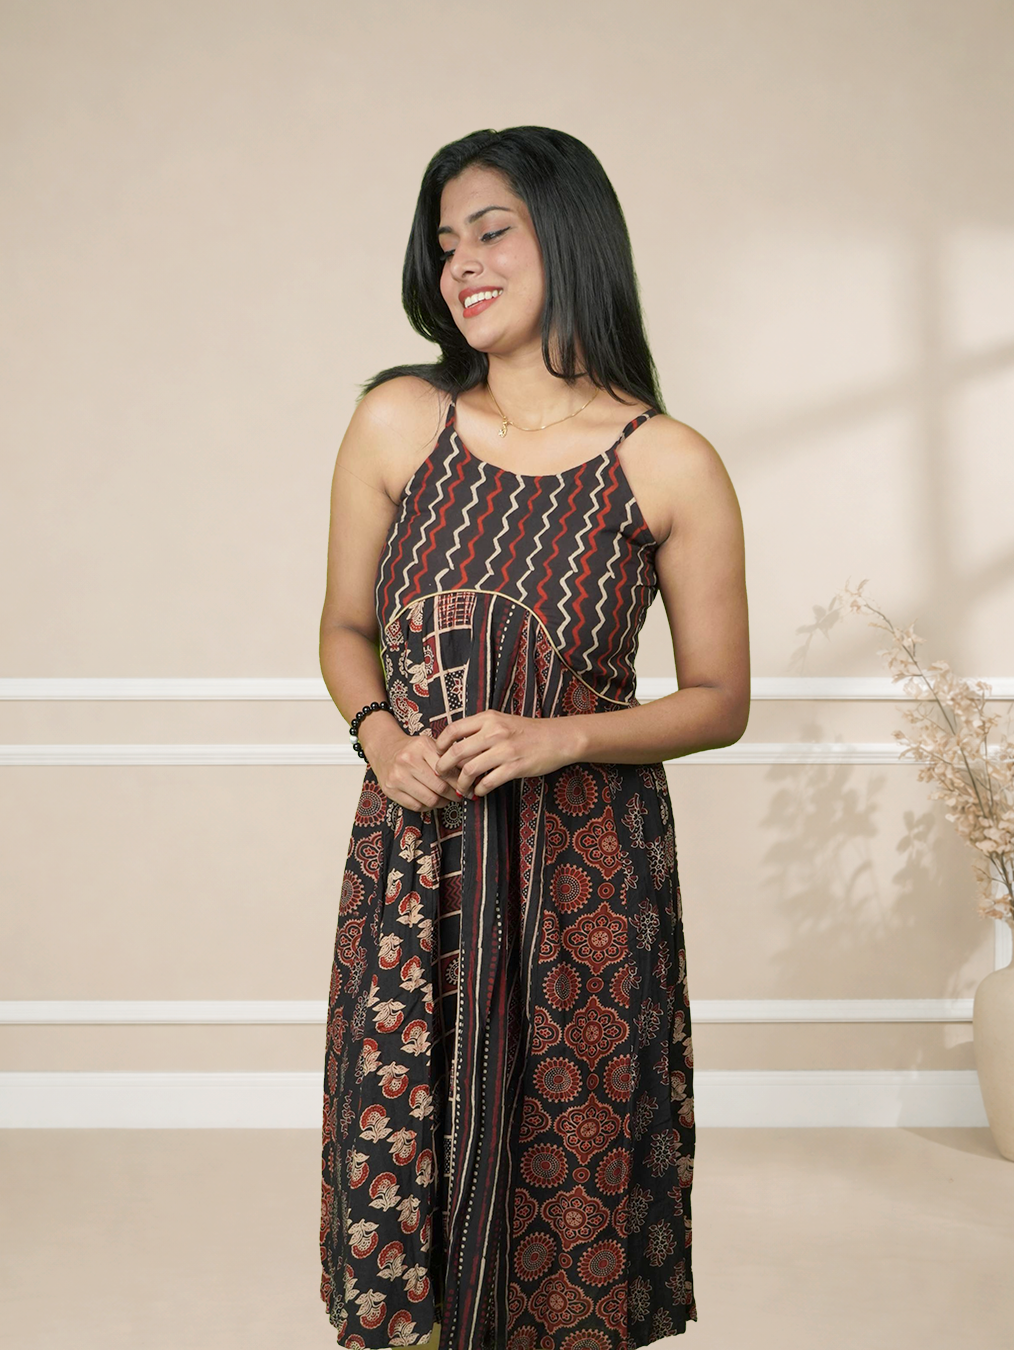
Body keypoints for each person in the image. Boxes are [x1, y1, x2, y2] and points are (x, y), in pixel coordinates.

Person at [318, 126, 749, 1350]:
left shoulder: (668, 462)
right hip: (415, 867)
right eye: (446, 242)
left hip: (587, 876)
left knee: (572, 1171)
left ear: (569, 234)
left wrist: (559, 737)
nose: (463, 262)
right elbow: (344, 628)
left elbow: (720, 699)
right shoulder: (398, 422)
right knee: (400, 1169)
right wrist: (379, 734)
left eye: (492, 231)